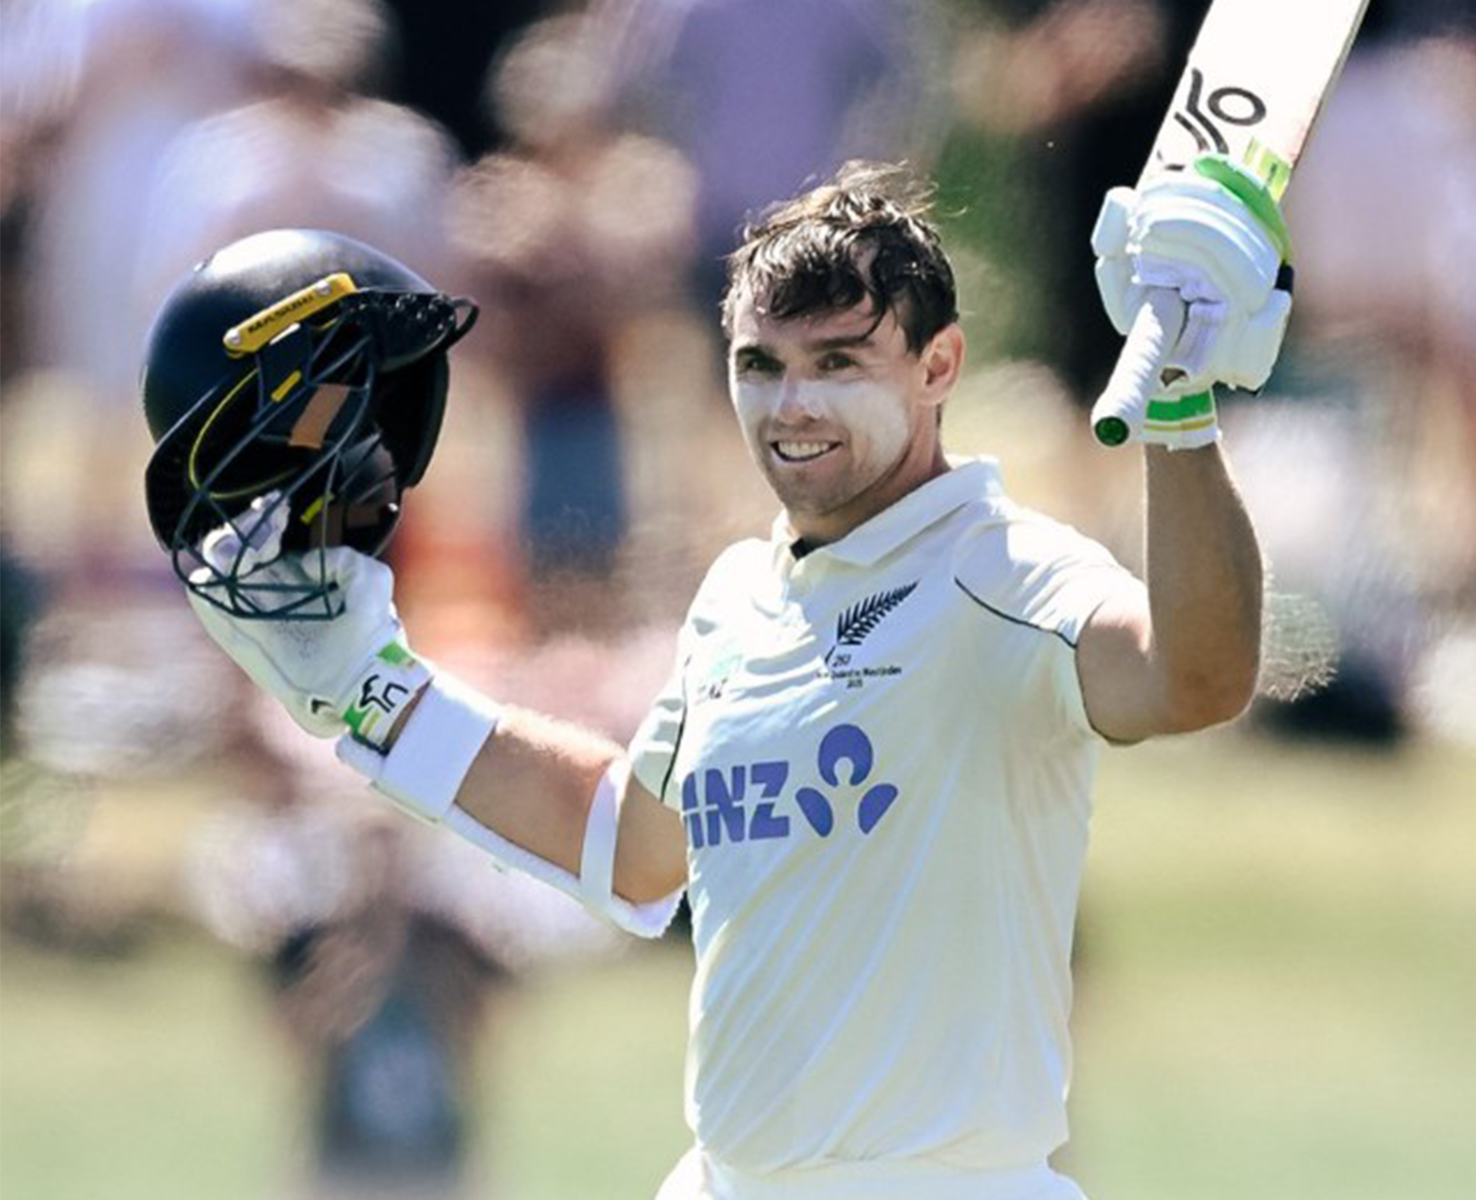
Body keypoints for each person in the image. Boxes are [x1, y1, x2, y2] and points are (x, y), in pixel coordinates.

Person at [140, 156, 1288, 1198]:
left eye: (838, 363)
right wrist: (372, 691)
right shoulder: (742, 597)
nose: (792, 406)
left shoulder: (1006, 573)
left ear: (938, 365)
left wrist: (1178, 411)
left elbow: (1193, 676)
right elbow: (632, 848)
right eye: (760, 365)